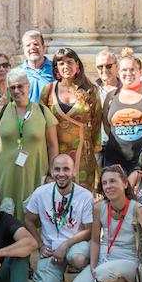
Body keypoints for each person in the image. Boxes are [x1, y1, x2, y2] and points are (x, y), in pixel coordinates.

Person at [62, 165, 142, 282]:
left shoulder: (138, 209)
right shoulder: (99, 207)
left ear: (125, 184)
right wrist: (93, 267)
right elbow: (94, 240)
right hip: (103, 262)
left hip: (129, 262)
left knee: (102, 274)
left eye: (113, 181)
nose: (108, 186)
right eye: (104, 183)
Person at [0, 67, 58, 220]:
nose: (17, 90)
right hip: (5, 174)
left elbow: (52, 145)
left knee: (33, 215)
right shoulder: (0, 112)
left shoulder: (43, 112)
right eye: (12, 87)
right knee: (5, 214)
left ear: (28, 86)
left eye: (20, 86)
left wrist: (52, 172)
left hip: (35, 172)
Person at [24, 154, 93, 282]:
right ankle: (57, 276)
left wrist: (65, 246)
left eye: (66, 169)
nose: (61, 174)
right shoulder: (41, 193)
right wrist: (40, 245)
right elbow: (29, 220)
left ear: (74, 171)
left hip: (75, 245)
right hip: (51, 247)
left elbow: (89, 231)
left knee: (78, 259)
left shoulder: (85, 196)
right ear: (51, 170)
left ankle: (87, 277)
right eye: (57, 169)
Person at [40, 47, 102, 190]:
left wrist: (94, 150)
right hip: (57, 153)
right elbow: (43, 124)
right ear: (56, 68)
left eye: (69, 62)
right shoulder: (48, 91)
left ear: (77, 65)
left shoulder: (90, 90)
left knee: (83, 196)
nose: (66, 66)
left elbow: (96, 122)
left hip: (84, 155)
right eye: (61, 63)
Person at [17, 30, 55, 102]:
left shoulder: (56, 69)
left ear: (43, 47)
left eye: (36, 44)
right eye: (28, 45)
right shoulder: (16, 73)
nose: (32, 48)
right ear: (24, 49)